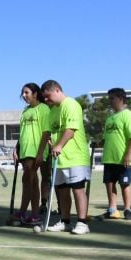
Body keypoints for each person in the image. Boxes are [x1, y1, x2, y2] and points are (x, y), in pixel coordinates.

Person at [40, 80, 92, 235]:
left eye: (48, 96)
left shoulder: (71, 105)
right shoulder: (52, 111)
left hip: (75, 157)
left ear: (57, 90)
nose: (46, 100)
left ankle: (82, 223)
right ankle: (65, 221)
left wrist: (59, 145)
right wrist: (52, 143)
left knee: (78, 190)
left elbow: (70, 130)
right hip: (59, 159)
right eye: (44, 98)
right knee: (61, 191)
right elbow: (50, 132)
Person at [100, 88, 131, 220]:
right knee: (110, 184)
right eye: (109, 99)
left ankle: (127, 209)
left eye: (112, 99)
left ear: (121, 99)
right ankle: (112, 210)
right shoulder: (109, 119)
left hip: (123, 159)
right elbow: (107, 138)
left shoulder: (128, 116)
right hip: (109, 159)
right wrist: (98, 144)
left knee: (125, 184)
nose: (110, 101)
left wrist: (128, 154)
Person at [13, 83, 50, 226]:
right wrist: (16, 149)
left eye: (26, 92)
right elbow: (22, 133)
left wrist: (41, 153)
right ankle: (30, 214)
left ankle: (27, 213)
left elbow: (46, 132)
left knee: (30, 181)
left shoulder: (44, 109)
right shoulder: (25, 111)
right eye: (22, 93)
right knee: (29, 181)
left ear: (35, 93)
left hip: (36, 151)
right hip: (25, 151)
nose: (23, 95)